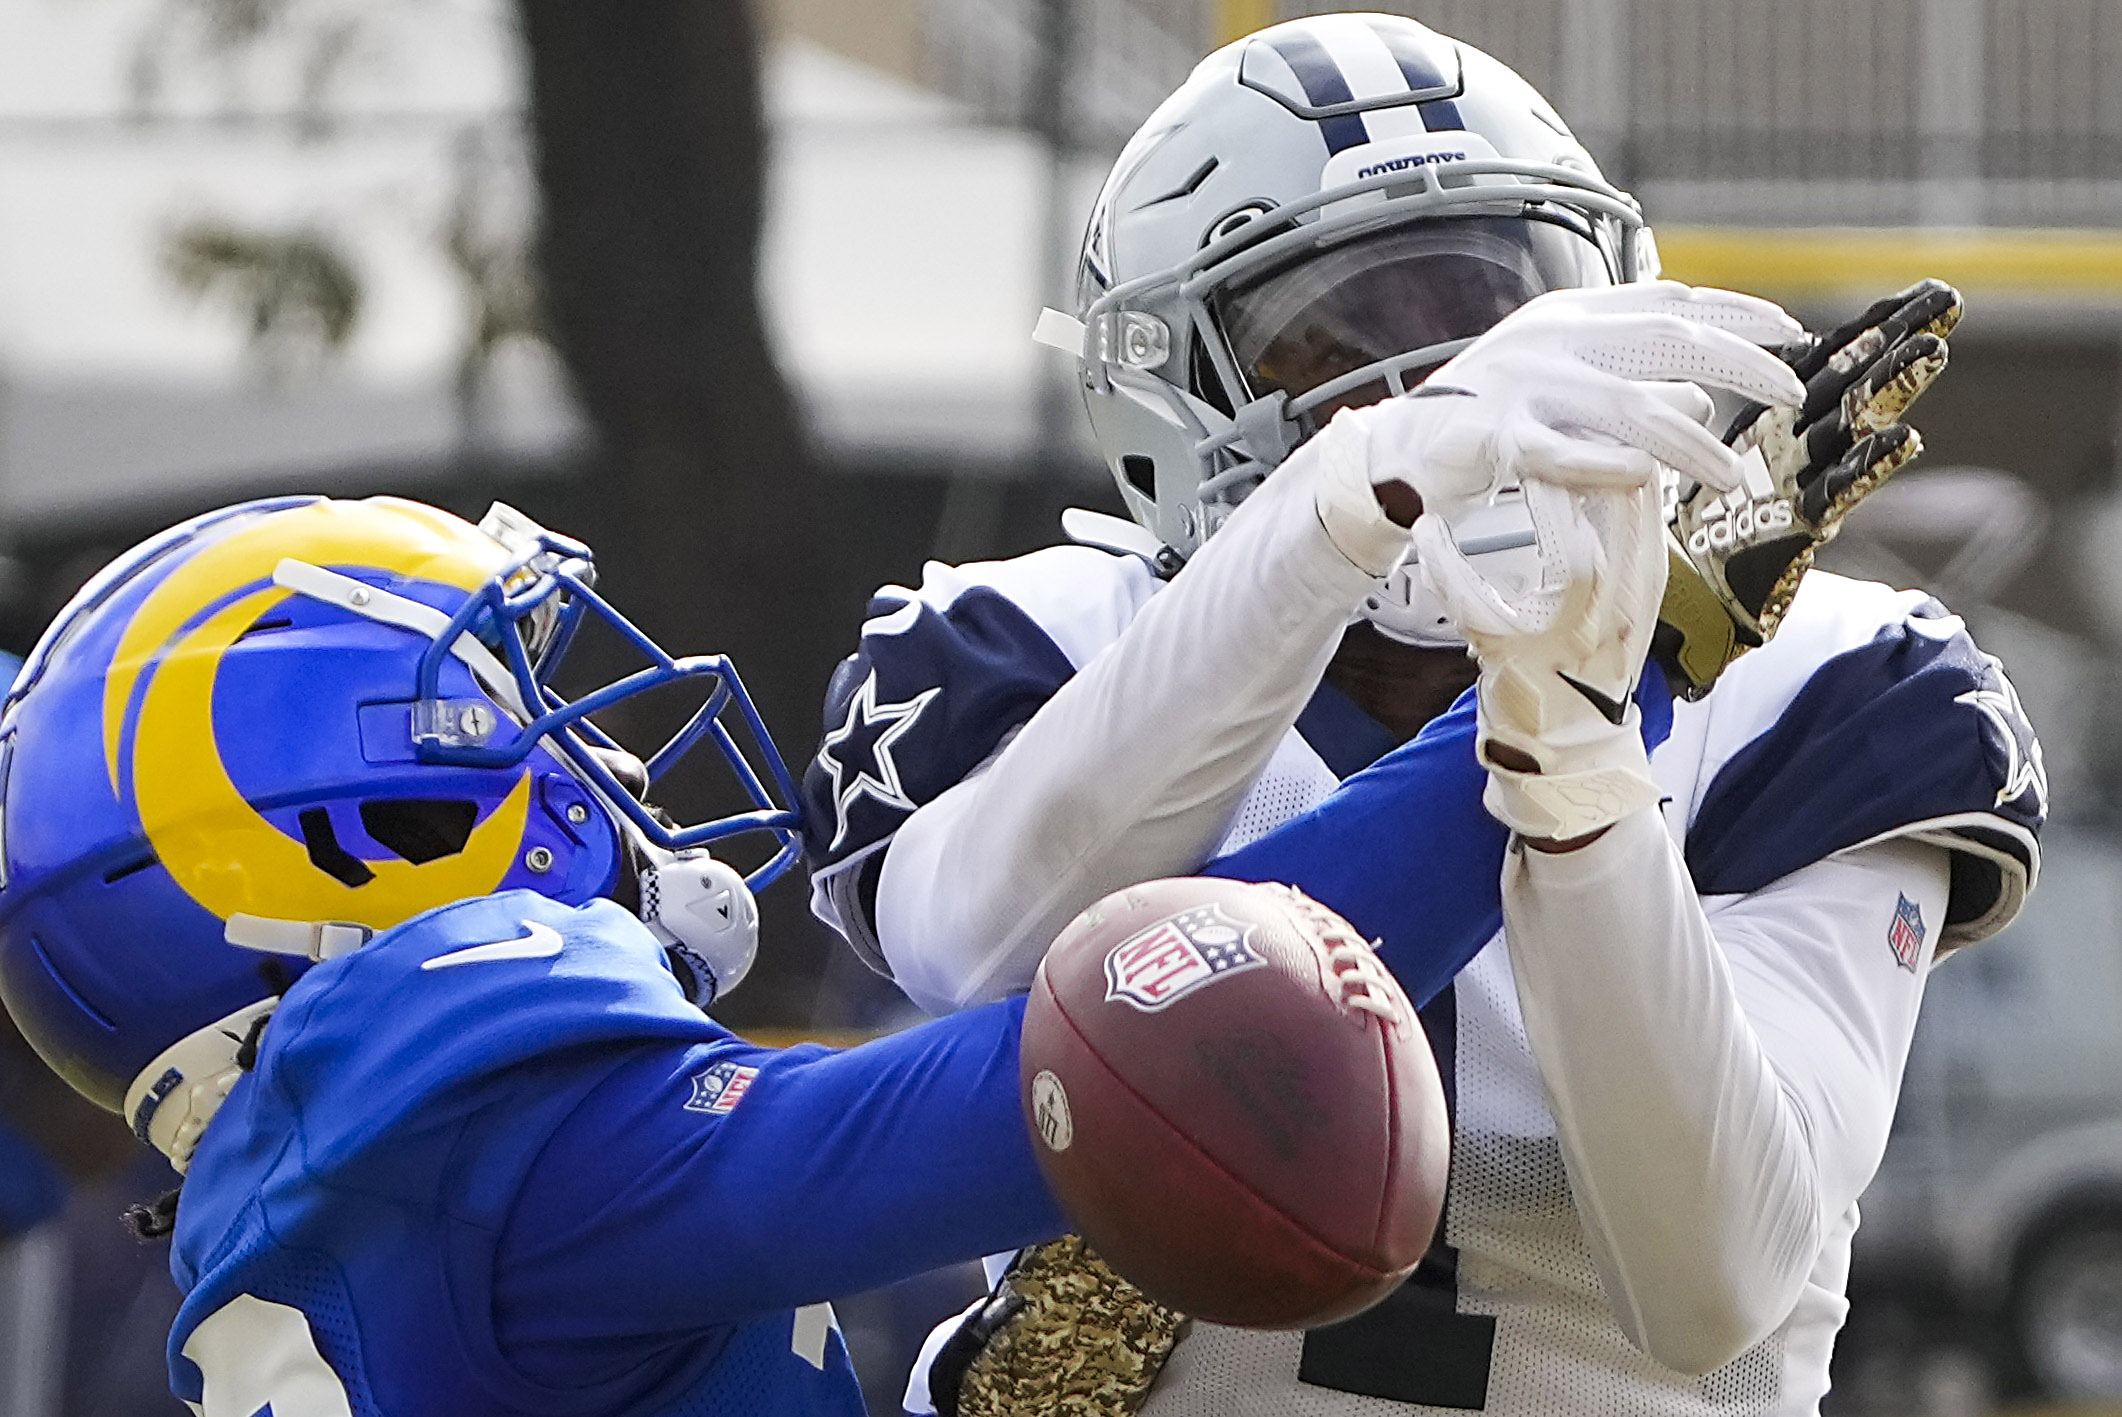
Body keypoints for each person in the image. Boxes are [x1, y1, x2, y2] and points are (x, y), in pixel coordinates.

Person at [796, 14, 2042, 1417]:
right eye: (1332, 344)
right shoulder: (1035, 639)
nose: (1454, 389)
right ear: (1166, 396)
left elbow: (1713, 1281)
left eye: (1497, 316)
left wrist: (1578, 773)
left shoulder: (1826, 676)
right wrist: (1335, 509)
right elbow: (970, 945)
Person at [0, 494, 1106, 1417]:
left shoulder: (350, 1156)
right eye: (518, 707)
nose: (608, 751)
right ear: (365, 825)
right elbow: (1104, 1079)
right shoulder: (501, 1147)